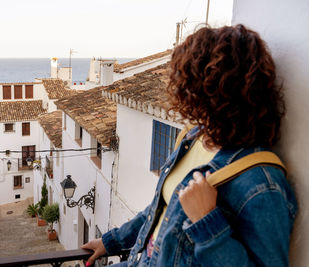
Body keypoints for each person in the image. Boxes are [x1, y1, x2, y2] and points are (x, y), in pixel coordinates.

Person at [82, 24, 297, 267]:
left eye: (190, 85)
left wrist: (206, 221)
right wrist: (110, 242)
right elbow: (159, 210)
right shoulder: (193, 138)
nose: (184, 94)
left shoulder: (261, 183)